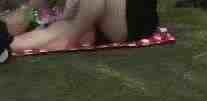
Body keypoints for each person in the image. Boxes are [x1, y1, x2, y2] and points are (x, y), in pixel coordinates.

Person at [1, 0, 158, 54]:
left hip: (123, 24)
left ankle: (7, 43)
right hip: (132, 19)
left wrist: (72, 34)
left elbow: (95, 5)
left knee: (63, 29)